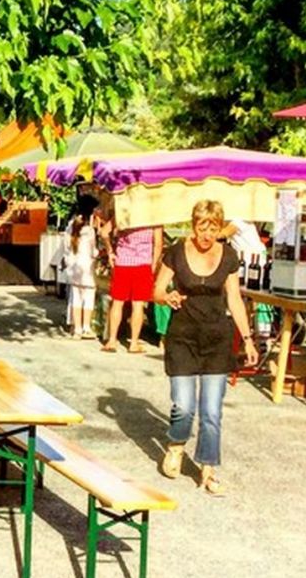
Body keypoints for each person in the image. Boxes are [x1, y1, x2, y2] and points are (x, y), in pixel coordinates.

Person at [154, 200, 257, 497]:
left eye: (213, 229)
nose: (207, 235)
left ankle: (208, 469)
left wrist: (247, 338)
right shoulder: (176, 251)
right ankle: (176, 444)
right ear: (193, 225)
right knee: (184, 406)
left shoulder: (228, 256)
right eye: (202, 228)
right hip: (182, 338)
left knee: (211, 411)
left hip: (216, 340)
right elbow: (156, 290)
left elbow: (234, 298)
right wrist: (167, 297)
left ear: (220, 227)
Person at [103, 222, 164, 352]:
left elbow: (104, 232)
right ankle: (134, 343)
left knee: (117, 302)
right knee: (138, 305)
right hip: (143, 264)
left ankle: (112, 340)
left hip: (122, 263)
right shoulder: (154, 217)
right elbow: (158, 244)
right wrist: (153, 265)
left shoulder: (123, 212)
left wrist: (110, 252)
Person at [63, 200, 98, 339]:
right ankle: (86, 327)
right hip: (86, 269)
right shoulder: (90, 231)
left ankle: (77, 329)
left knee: (76, 298)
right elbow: (93, 251)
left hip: (73, 268)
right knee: (88, 298)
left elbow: (66, 249)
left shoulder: (69, 229)